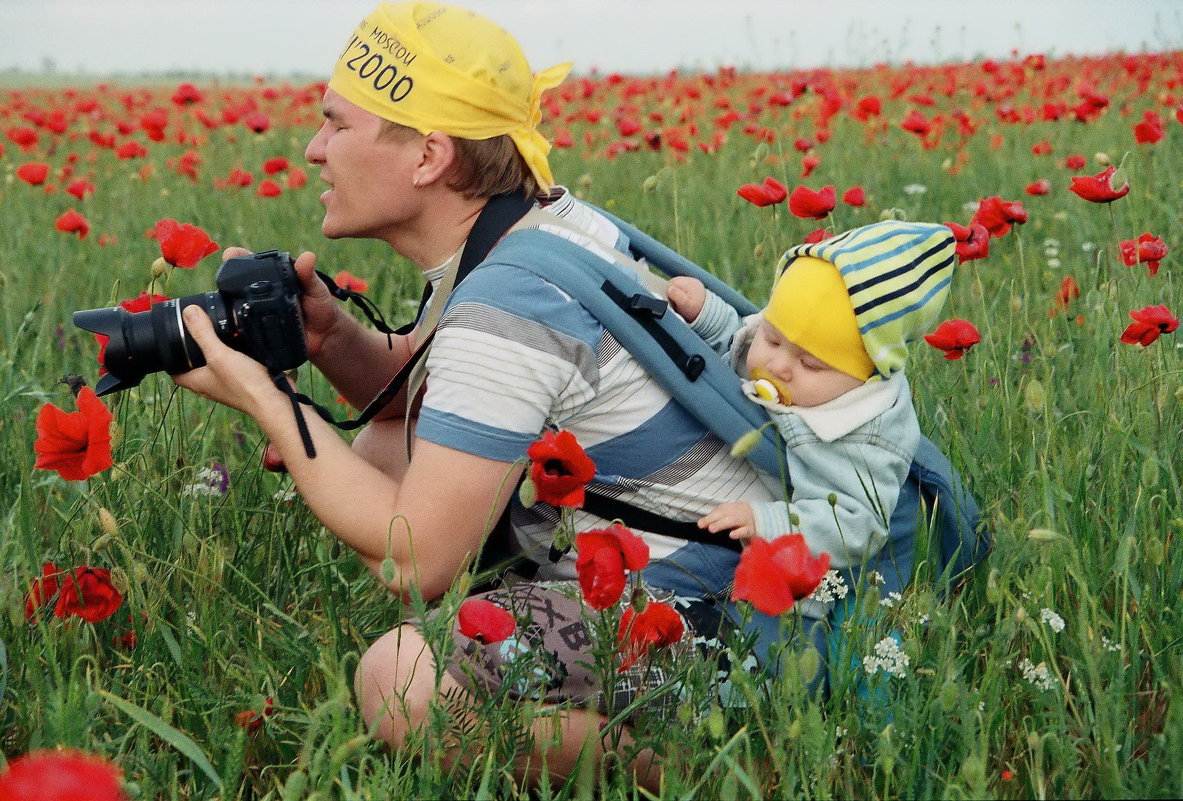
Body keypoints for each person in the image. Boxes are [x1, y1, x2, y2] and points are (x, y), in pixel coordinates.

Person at [171, 0, 779, 787]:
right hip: (739, 570)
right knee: (385, 443)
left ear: (427, 156)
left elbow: (416, 556)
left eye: (336, 125)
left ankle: (720, 770)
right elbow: (430, 400)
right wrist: (331, 342)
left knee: (400, 682)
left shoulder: (507, 306)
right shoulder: (540, 229)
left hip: (701, 617)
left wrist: (264, 395)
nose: (315, 150)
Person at [666, 221, 956, 622]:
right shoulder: (783, 356)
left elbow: (858, 524)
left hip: (813, 581)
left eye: (810, 364)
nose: (778, 366)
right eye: (772, 338)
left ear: (865, 374)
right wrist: (708, 318)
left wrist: (767, 521)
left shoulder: (863, 435)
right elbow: (739, 344)